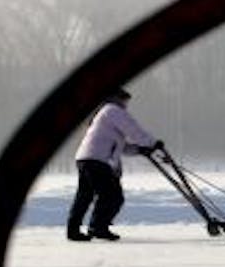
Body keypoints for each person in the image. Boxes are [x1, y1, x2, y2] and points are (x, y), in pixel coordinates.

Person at [67, 89, 160, 241]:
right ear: (117, 99)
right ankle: (97, 227)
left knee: (85, 196)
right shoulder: (112, 110)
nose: (126, 105)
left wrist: (140, 150)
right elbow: (133, 129)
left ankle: (73, 230)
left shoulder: (104, 114)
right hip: (96, 160)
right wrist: (153, 143)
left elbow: (121, 147)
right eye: (125, 101)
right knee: (112, 196)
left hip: (87, 158)